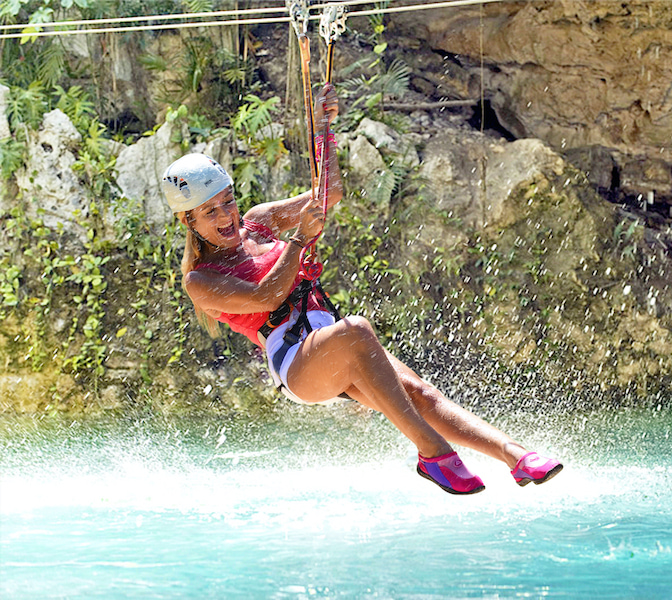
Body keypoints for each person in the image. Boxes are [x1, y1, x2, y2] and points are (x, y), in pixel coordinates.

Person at [160, 84, 562, 495]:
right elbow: (266, 296)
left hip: (329, 336)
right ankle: (431, 452)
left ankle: (517, 457)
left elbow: (327, 194)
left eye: (228, 201)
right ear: (189, 222)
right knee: (355, 329)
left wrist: (324, 131)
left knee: (420, 393)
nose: (226, 215)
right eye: (210, 211)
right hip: (297, 363)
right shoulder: (201, 279)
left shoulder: (260, 222)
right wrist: (298, 242)